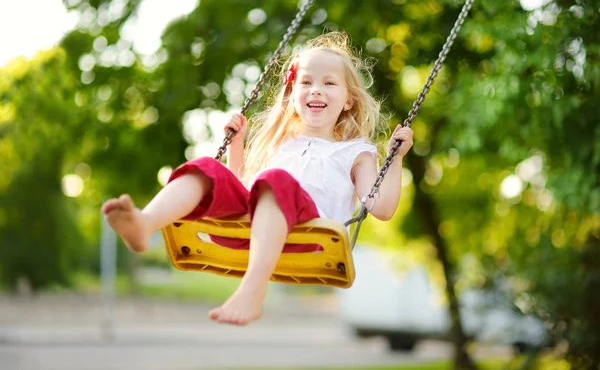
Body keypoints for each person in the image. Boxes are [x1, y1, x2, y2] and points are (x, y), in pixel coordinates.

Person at [101, 31, 414, 326]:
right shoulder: (282, 143)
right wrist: (236, 147)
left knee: (276, 181)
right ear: (293, 95)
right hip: (249, 236)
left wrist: (395, 159)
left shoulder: (355, 152)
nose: (316, 89)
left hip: (308, 240)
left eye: (329, 83)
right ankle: (145, 223)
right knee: (207, 167)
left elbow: (382, 208)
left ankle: (253, 290)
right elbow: (245, 193)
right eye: (306, 82)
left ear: (349, 100)